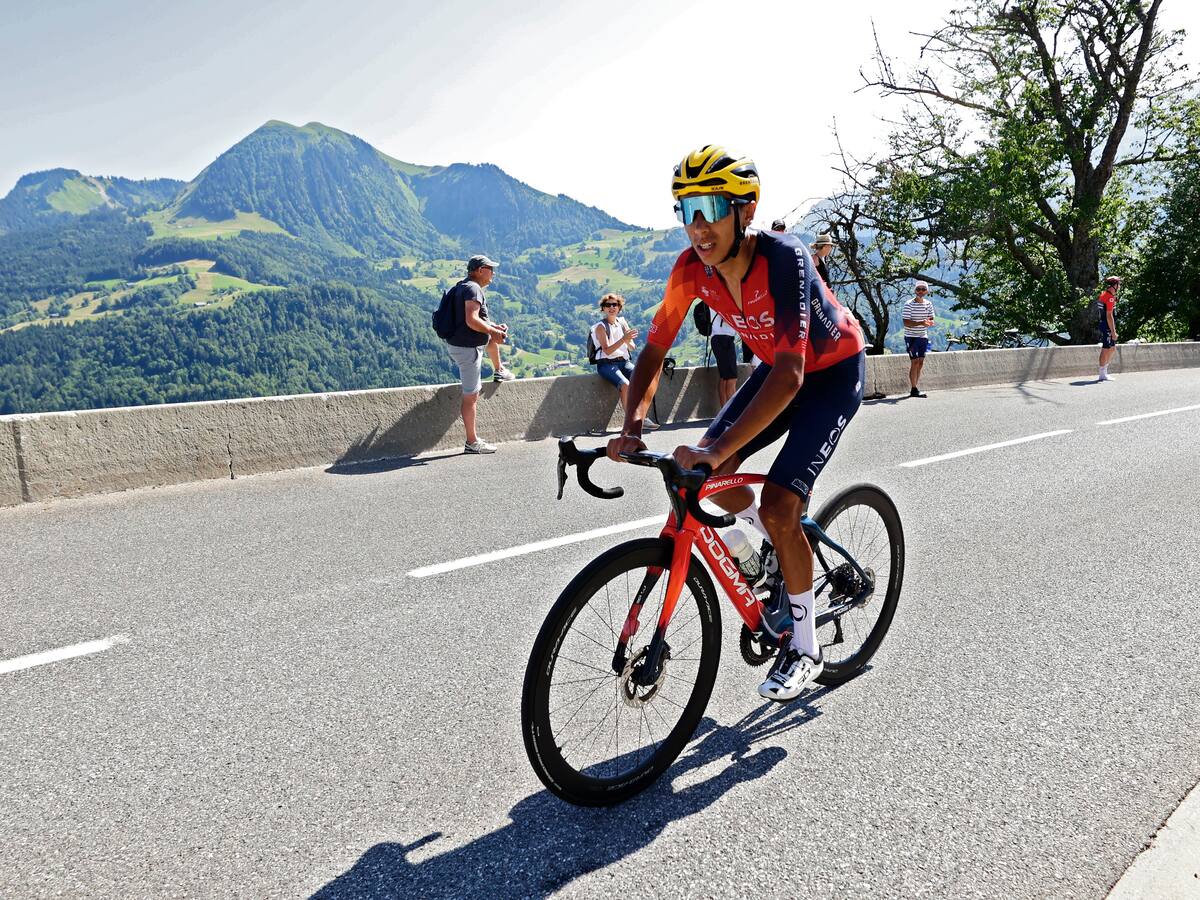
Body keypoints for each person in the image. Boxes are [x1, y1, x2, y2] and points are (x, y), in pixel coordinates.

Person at [607, 145, 867, 702]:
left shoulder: (783, 258)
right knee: (713, 472)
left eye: (708, 206)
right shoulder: (689, 272)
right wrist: (631, 425)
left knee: (777, 505)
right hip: (779, 368)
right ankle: (761, 553)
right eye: (686, 209)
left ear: (744, 209)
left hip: (829, 372)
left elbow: (794, 374)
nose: (697, 226)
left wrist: (715, 446)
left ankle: (805, 646)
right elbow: (652, 354)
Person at [445, 254, 513, 454]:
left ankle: (499, 370)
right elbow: (471, 320)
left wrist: (493, 327)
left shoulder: (463, 286)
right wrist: (493, 331)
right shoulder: (473, 289)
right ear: (480, 270)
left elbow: (474, 320)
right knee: (471, 397)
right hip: (467, 350)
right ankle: (472, 442)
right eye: (491, 269)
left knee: (491, 340)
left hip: (462, 344)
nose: (493, 273)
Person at [591, 293, 659, 431]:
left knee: (644, 380)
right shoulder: (600, 327)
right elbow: (607, 350)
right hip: (606, 363)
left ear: (619, 307)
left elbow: (632, 347)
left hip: (624, 361)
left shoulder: (622, 322)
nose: (611, 307)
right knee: (626, 385)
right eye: (607, 305)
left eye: (614, 305)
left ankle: (642, 418)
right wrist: (624, 339)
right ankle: (631, 421)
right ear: (603, 308)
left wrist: (628, 339)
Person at [902, 281, 935, 398]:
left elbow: (931, 317)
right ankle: (914, 389)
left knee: (920, 362)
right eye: (918, 289)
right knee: (914, 361)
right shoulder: (909, 304)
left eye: (923, 289)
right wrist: (921, 322)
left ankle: (916, 386)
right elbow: (906, 322)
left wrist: (930, 322)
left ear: (926, 291)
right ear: (915, 291)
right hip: (911, 337)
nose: (920, 291)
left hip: (923, 336)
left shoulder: (928, 304)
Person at [710, 311, 739, 407]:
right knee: (731, 378)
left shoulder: (714, 297)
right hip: (723, 338)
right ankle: (732, 413)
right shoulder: (720, 298)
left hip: (719, 337)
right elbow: (726, 317)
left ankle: (724, 412)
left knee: (724, 378)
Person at [1097, 276, 1121, 381]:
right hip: (1107, 325)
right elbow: (1109, 316)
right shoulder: (1109, 297)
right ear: (1114, 285)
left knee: (1112, 348)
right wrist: (1113, 332)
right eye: (1118, 284)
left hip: (1104, 324)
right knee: (1106, 348)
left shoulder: (1104, 294)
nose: (1119, 286)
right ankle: (1102, 373)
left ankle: (1105, 372)